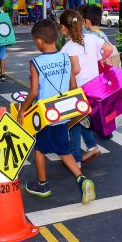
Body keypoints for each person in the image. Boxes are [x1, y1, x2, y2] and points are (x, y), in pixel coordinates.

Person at [20, 19, 96, 204]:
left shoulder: (35, 62)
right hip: (61, 113)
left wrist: (23, 110)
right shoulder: (64, 58)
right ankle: (82, 179)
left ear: (38, 41)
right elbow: (73, 86)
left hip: (45, 116)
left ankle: (43, 185)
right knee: (64, 151)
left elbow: (34, 92)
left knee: (39, 149)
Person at [59, 10, 111, 166]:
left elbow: (76, 70)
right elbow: (108, 49)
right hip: (94, 87)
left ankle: (76, 159)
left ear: (63, 28)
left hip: (78, 89)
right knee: (83, 119)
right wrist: (102, 59)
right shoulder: (92, 38)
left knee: (74, 123)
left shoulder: (69, 47)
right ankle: (92, 146)